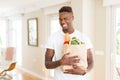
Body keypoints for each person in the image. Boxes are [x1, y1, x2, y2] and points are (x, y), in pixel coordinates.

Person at [45, 6, 94, 80]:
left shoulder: (83, 37)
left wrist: (84, 72)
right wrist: (61, 62)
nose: (62, 22)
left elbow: (90, 62)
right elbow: (47, 64)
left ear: (72, 18)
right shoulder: (53, 38)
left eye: (65, 19)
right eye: (60, 19)